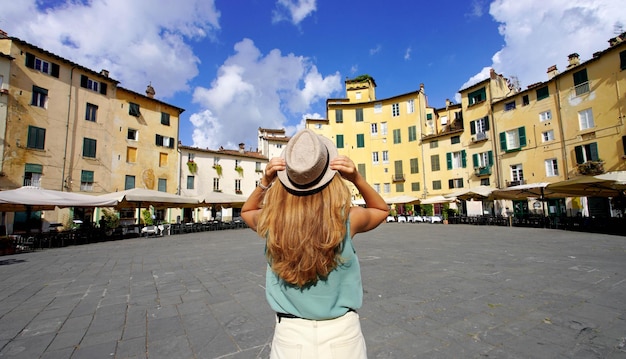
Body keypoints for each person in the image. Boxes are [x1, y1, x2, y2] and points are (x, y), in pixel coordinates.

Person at [241, 129, 388, 358]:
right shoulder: (347, 219)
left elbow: (247, 210)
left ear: (286, 179)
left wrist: (265, 182)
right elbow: (381, 209)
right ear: (330, 177)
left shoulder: (270, 222)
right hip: (343, 336)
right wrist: (356, 178)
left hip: (290, 337)